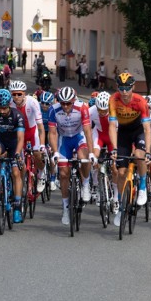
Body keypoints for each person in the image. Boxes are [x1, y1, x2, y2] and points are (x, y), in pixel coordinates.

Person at [108, 72, 151, 226]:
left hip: (138, 130)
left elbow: (147, 129)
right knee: (121, 172)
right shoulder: (113, 99)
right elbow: (113, 126)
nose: (124, 91)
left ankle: (142, 187)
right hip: (123, 133)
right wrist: (114, 148)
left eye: (127, 88)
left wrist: (148, 151)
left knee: (140, 155)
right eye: (121, 87)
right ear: (117, 87)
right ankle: (120, 206)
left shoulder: (140, 101)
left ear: (133, 87)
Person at [48, 87, 95, 225]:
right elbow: (52, 133)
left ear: (74, 101)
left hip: (79, 137)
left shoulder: (82, 108)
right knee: (63, 173)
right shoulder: (54, 110)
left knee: (83, 157)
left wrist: (91, 153)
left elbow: (87, 132)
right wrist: (55, 151)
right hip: (64, 140)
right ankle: (66, 207)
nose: (65, 106)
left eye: (68, 103)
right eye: (62, 103)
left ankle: (86, 184)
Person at [0, 89, 26, 223]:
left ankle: (18, 207)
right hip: (0, 141)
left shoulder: (17, 115)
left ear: (9, 104)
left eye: (4, 108)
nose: (1, 111)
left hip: (14, 144)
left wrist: (18, 153)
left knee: (16, 173)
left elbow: (20, 139)